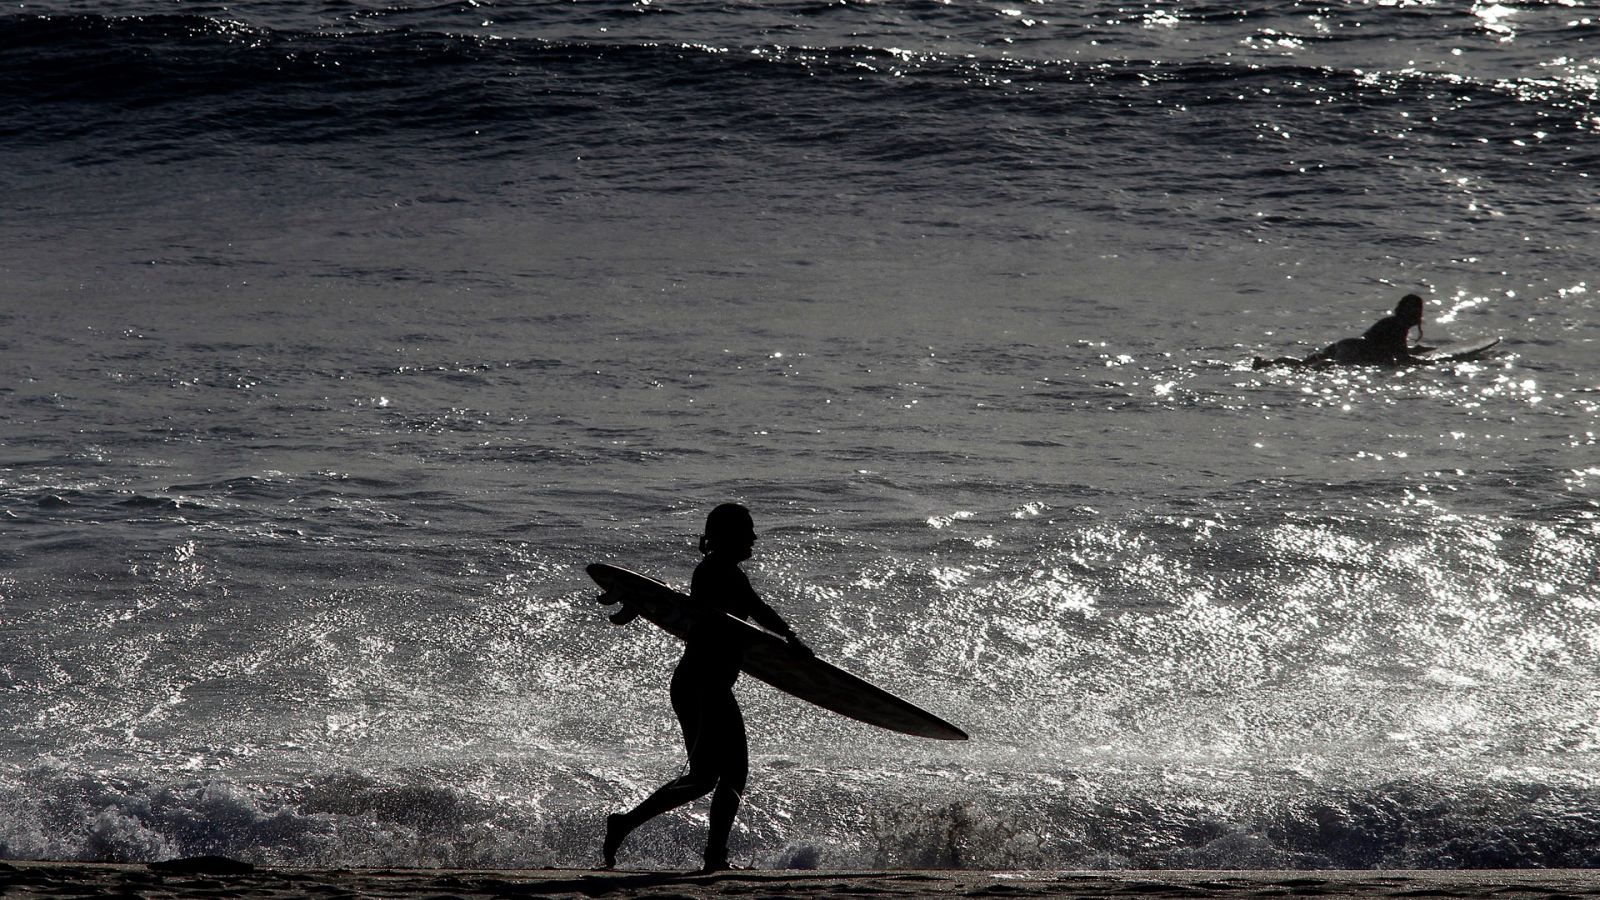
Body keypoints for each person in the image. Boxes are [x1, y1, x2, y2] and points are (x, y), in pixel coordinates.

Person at [602, 503, 808, 873]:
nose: (754, 537)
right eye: (747, 530)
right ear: (729, 536)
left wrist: (789, 638)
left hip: (700, 683)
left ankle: (626, 824)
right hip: (702, 684)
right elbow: (744, 612)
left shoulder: (723, 572)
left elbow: (752, 611)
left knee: (704, 778)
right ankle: (713, 857)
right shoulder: (717, 572)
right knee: (731, 773)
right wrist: (790, 638)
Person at [1253, 293, 1432, 369]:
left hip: (1347, 344)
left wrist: (1414, 352)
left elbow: (1393, 348)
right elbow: (1401, 358)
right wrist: (1430, 364)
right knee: (1319, 367)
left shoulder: (1391, 322)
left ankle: (1267, 364)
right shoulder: (1398, 326)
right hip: (1355, 350)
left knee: (1303, 365)